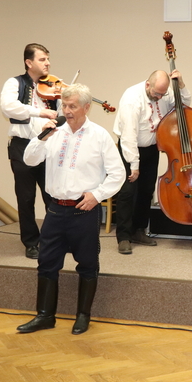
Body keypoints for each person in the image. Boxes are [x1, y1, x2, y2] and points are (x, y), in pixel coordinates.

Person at [16, 84, 124, 335]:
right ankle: (45, 316)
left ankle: (83, 316)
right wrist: (42, 137)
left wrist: (97, 195)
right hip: (55, 209)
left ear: (86, 108)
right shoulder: (53, 132)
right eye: (64, 105)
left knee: (87, 263)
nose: (67, 110)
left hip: (83, 210)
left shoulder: (100, 136)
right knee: (46, 262)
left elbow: (118, 174)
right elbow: (29, 160)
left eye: (73, 106)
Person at [112, 69, 190, 254]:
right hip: (130, 148)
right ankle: (123, 237)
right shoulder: (132, 99)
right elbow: (129, 136)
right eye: (157, 94)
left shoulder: (163, 91)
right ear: (148, 85)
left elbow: (184, 105)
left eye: (162, 94)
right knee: (127, 192)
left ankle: (139, 230)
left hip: (152, 148)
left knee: (146, 191)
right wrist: (134, 165)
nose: (160, 97)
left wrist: (181, 85)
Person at [0, 43, 59, 259]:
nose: (48, 63)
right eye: (42, 59)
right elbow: (8, 107)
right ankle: (31, 242)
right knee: (26, 199)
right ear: (29, 62)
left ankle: (52, 239)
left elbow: (61, 114)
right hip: (22, 146)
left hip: (47, 146)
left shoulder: (52, 86)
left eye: (48, 59)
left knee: (52, 196)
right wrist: (39, 112)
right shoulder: (15, 83)